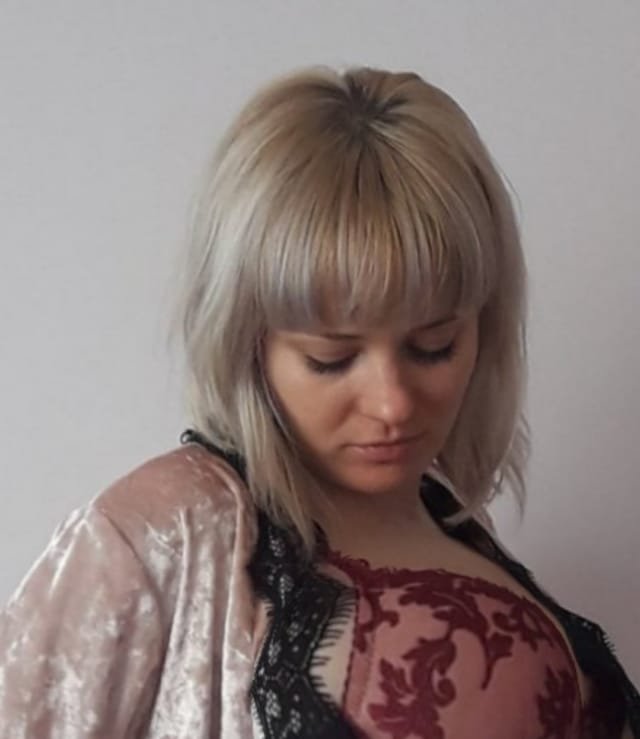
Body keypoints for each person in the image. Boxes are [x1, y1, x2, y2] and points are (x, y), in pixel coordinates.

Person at [0, 65, 637, 738]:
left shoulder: (463, 532)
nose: (392, 404)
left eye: (434, 347)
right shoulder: (159, 535)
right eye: (330, 359)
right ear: (248, 341)